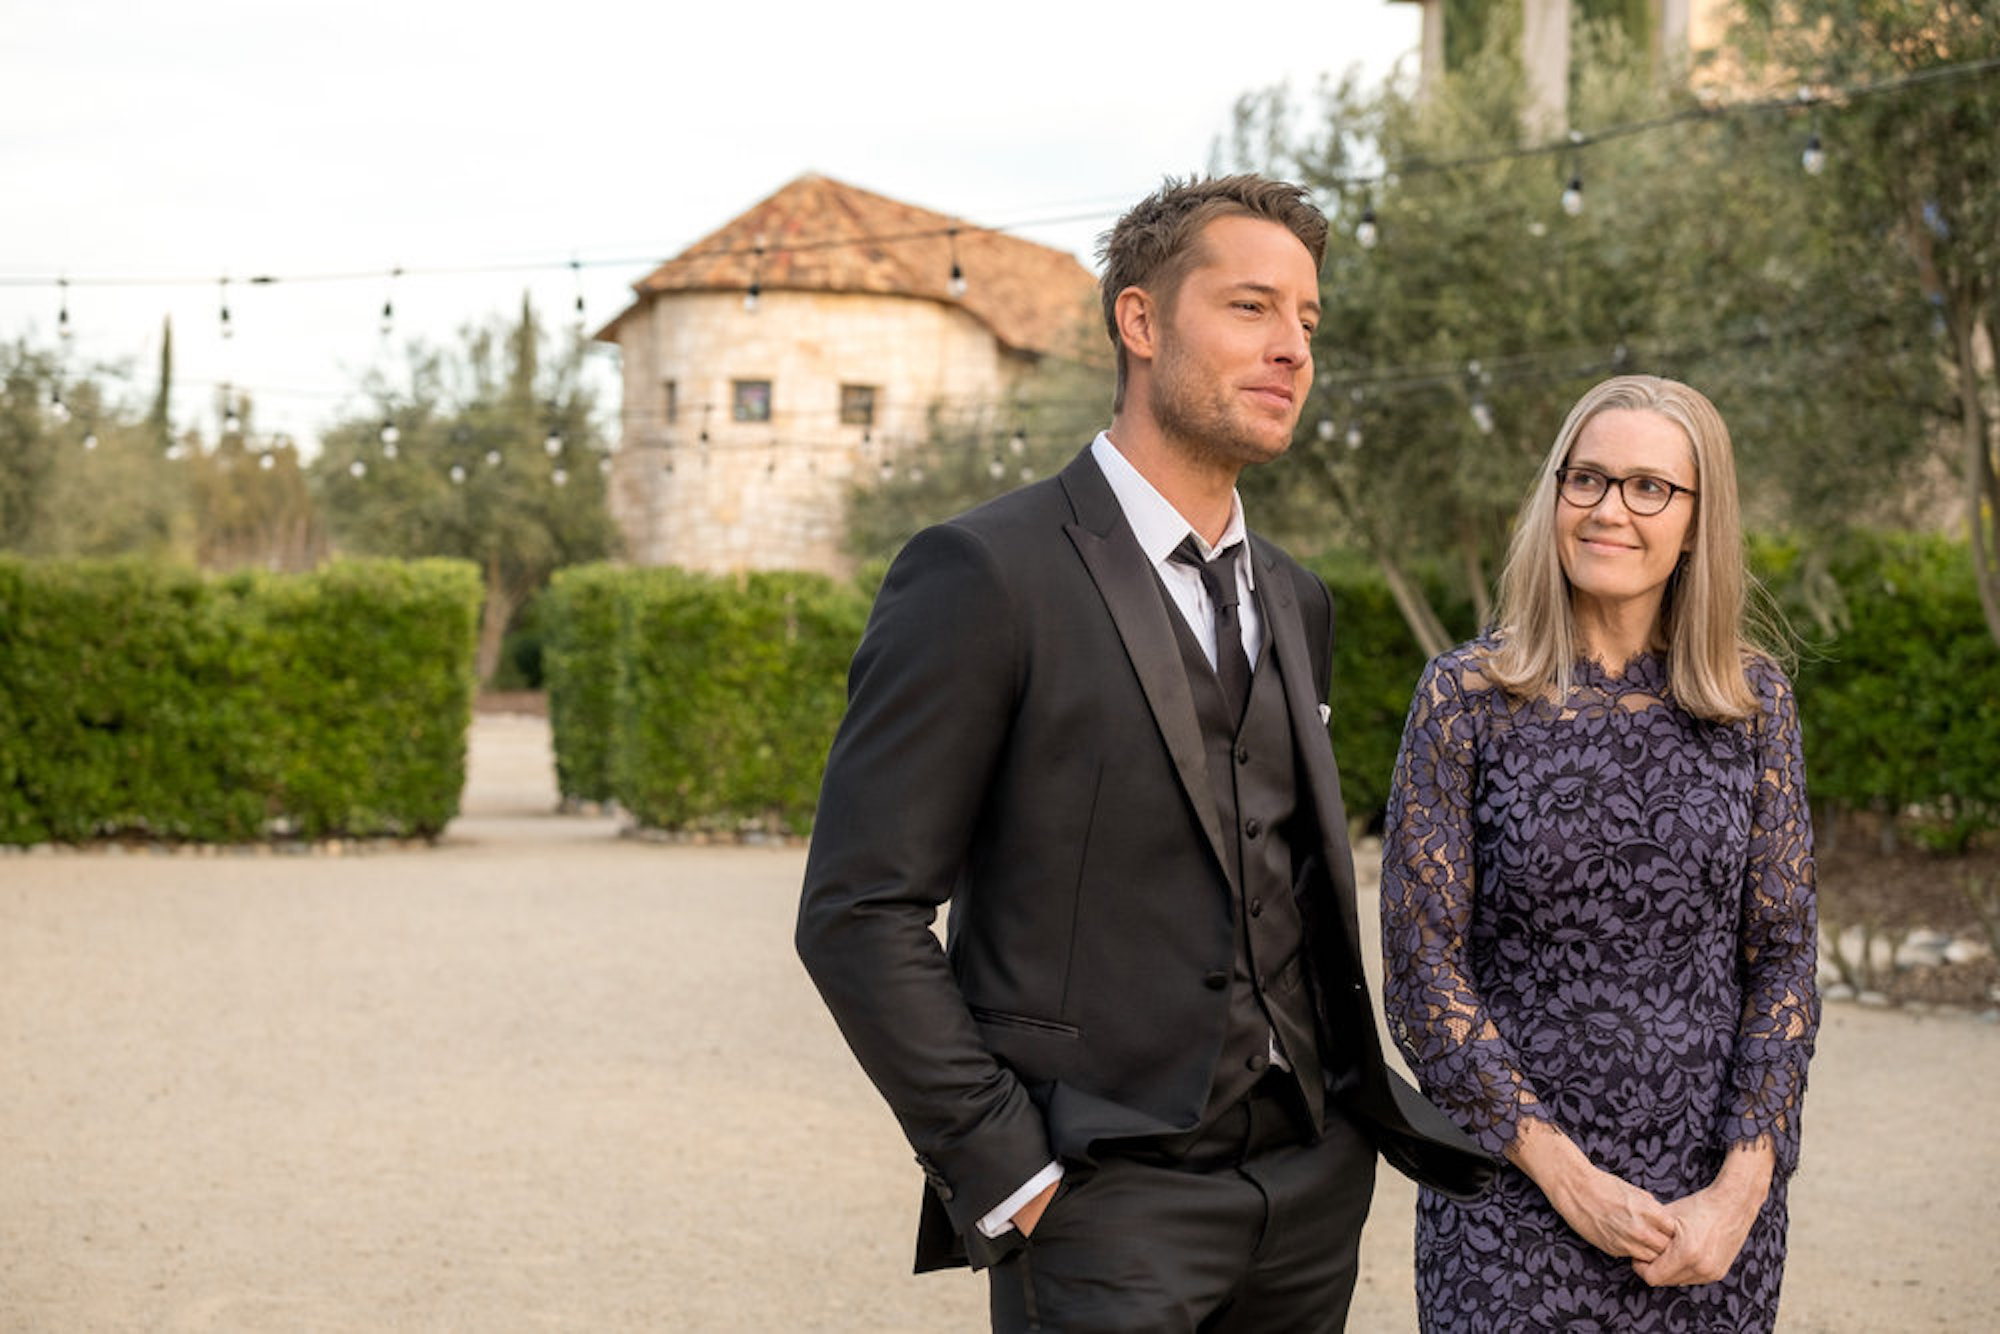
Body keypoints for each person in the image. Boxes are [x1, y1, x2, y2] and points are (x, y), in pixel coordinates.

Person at [796, 175, 1490, 1332]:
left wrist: (1337, 1138)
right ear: (1139, 320)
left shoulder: (1298, 600)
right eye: (1250, 307)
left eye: (1306, 319)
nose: (1291, 347)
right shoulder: (983, 573)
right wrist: (1005, 1165)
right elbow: (857, 908)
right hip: (1099, 1203)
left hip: (1306, 1191)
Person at [1379, 374, 1820, 1332]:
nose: (1609, 509)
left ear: (1698, 522)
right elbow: (1422, 971)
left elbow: (1784, 958)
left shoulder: (1753, 703)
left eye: (1649, 487)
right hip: (1511, 1202)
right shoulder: (1466, 697)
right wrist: (1569, 1180)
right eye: (1587, 479)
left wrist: (1741, 1188)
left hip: (1708, 1216)